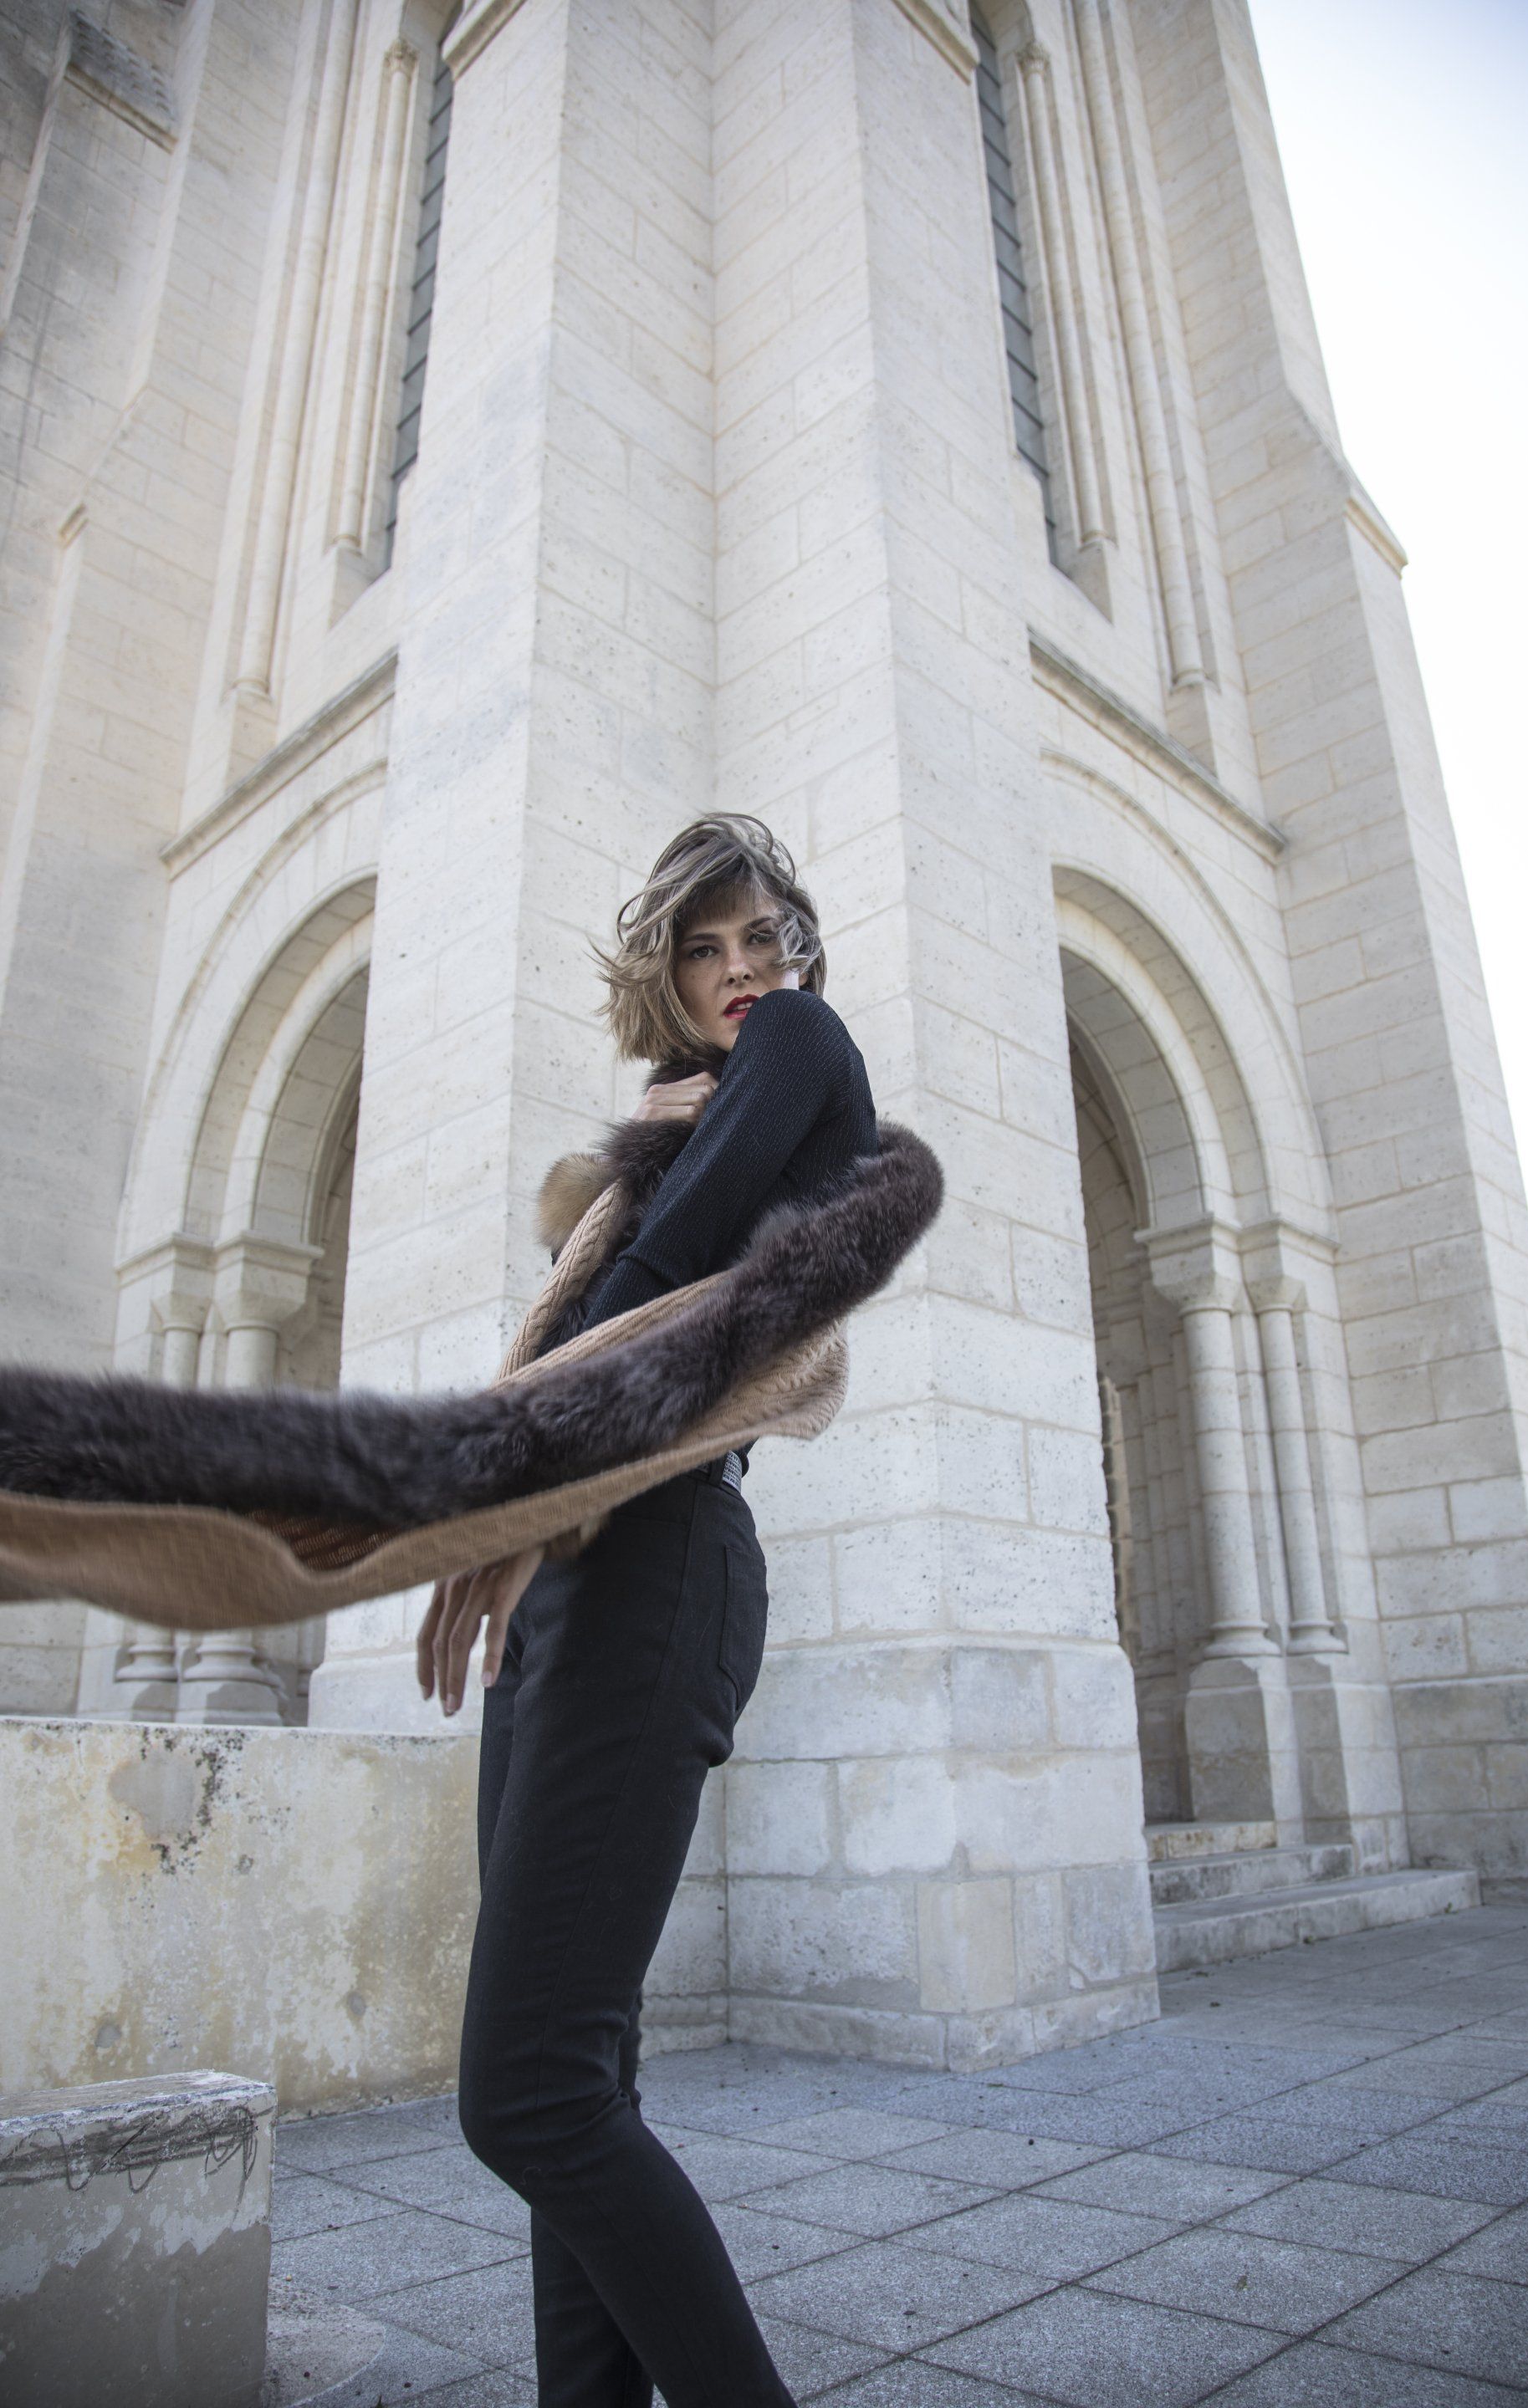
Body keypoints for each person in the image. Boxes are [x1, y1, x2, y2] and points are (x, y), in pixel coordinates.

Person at [415, 814, 878, 2408]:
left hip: (657, 1552)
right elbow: (618, 1232)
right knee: (576, 2079)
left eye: (767, 937)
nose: (749, 969)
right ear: (665, 976)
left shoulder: (807, 1051)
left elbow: (683, 1264)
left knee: (525, 2096)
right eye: (709, 946)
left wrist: (526, 1469)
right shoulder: (673, 1122)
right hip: (565, 1594)